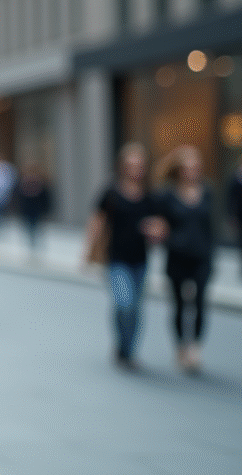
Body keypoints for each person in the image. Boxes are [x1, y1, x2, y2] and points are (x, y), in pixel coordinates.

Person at [84, 143, 163, 371]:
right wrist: (87, 251)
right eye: (132, 165)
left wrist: (155, 230)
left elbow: (160, 224)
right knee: (124, 304)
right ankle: (122, 343)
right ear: (123, 166)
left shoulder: (150, 195)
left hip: (140, 259)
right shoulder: (111, 192)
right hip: (116, 259)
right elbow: (97, 220)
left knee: (136, 308)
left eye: (140, 165)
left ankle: (128, 351)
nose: (136, 169)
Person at [156, 145, 216, 374]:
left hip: (202, 256)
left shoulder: (207, 191)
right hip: (177, 256)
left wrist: (213, 253)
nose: (192, 172)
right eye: (188, 168)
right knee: (180, 304)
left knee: (200, 302)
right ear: (179, 170)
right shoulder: (167, 195)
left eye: (196, 167)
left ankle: (195, 347)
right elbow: (159, 224)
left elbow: (211, 226)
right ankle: (181, 345)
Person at [15, 162, 52, 252]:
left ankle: (35, 242)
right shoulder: (22, 183)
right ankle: (31, 241)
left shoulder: (41, 183)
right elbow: (18, 197)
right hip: (26, 210)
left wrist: (46, 209)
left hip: (37, 210)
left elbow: (45, 198)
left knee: (36, 226)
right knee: (28, 227)